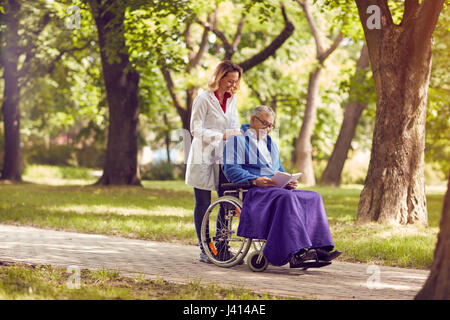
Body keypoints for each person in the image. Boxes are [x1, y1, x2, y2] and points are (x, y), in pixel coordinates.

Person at [223, 106, 342, 268]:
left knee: (313, 196)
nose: (268, 129)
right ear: (253, 120)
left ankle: (319, 248)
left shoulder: (270, 143)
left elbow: (278, 170)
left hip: (275, 189)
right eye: (265, 124)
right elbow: (231, 170)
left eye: (271, 125)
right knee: (287, 198)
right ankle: (297, 253)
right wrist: (255, 179)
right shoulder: (237, 140)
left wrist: (288, 180)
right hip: (255, 190)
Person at [185, 60, 243, 263]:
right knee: (203, 202)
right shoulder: (203, 99)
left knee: (227, 203)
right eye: (229, 81)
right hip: (203, 156)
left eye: (235, 82)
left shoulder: (232, 100)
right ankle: (205, 247)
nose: (232, 85)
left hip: (224, 157)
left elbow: (234, 124)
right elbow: (195, 130)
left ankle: (222, 246)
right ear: (219, 78)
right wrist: (222, 136)